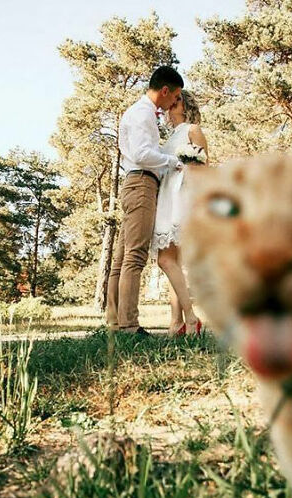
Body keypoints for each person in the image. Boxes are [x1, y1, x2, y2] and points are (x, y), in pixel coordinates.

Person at [106, 66, 184, 335]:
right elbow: (141, 153)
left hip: (135, 182)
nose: (174, 103)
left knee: (121, 258)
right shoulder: (142, 114)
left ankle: (114, 322)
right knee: (135, 256)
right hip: (141, 183)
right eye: (175, 97)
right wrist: (171, 161)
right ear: (165, 90)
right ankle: (128, 325)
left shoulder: (143, 113)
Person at [151, 90, 208, 335]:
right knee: (172, 262)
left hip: (182, 198)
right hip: (166, 197)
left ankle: (191, 318)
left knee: (165, 260)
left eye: (179, 99)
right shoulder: (168, 138)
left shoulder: (192, 130)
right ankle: (176, 324)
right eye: (172, 99)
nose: (173, 103)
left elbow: (204, 170)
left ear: (186, 106)